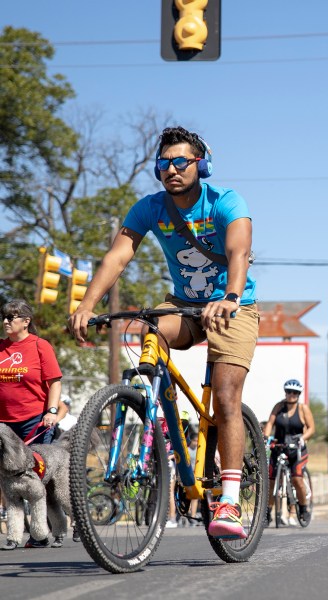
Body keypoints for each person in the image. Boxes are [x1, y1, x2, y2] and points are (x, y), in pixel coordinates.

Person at [68, 126, 259, 540]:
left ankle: (228, 499)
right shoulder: (149, 209)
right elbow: (118, 256)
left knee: (226, 395)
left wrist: (229, 295)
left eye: (181, 161)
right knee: (148, 331)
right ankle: (154, 412)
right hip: (185, 306)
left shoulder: (225, 202)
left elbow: (237, 251)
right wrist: (86, 305)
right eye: (164, 163)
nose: (172, 169)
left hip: (232, 306)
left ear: (201, 164)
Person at [0, 299, 63, 445]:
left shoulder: (40, 346)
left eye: (10, 318)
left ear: (26, 321)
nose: (5, 322)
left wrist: (52, 411)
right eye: (3, 317)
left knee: (35, 466)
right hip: (3, 423)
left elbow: (55, 383)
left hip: (34, 421)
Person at [262, 379, 315, 526]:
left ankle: (303, 508)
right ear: (285, 393)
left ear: (299, 394)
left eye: (295, 393)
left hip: (297, 449)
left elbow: (311, 428)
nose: (291, 395)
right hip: (279, 446)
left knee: (297, 479)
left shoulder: (303, 409)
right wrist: (266, 438)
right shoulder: (279, 407)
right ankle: (267, 513)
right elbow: (270, 423)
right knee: (271, 481)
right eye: (288, 392)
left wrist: (303, 438)